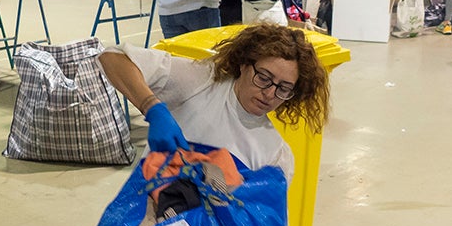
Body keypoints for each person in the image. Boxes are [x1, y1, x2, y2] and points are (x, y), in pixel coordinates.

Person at [98, 23, 330, 182]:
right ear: (244, 65)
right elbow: (112, 57)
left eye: (283, 88)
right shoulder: (203, 81)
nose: (270, 93)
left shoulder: (275, 154)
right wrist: (152, 108)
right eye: (263, 78)